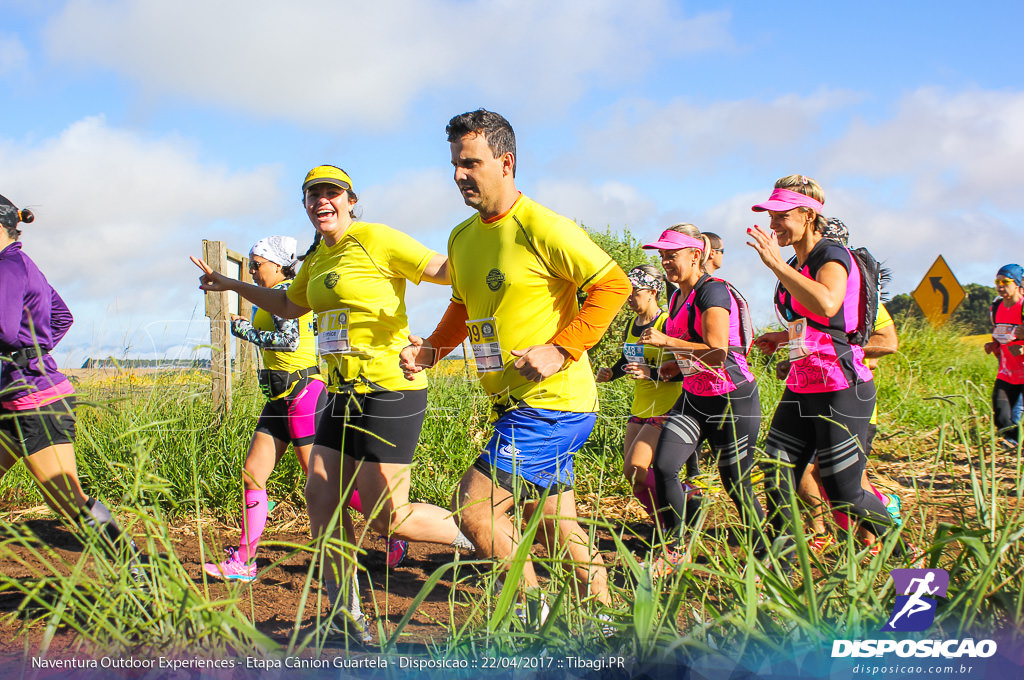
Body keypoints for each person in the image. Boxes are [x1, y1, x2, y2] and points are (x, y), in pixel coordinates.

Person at [194, 165, 470, 644]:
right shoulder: (319, 257)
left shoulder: (376, 238)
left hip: (390, 389)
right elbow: (287, 306)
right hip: (340, 392)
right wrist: (232, 284)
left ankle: (482, 534)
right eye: (313, 194)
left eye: (332, 192)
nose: (323, 200)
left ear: (350, 198)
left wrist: (436, 340)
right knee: (321, 498)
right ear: (305, 205)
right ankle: (347, 612)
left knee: (387, 517)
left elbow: (447, 272)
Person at [400, 109, 630, 618]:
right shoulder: (462, 237)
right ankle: (611, 618)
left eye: (471, 163)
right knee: (552, 521)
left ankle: (534, 613)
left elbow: (614, 285)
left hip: (552, 403)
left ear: (506, 162)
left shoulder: (543, 226)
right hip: (512, 403)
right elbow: (464, 304)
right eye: (456, 164)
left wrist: (560, 349)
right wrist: (433, 349)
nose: (459, 175)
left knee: (474, 507)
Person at [747, 175, 911, 562]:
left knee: (844, 492)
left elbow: (827, 304)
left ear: (807, 215)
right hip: (803, 385)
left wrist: (773, 264)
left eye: (781, 216)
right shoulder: (801, 262)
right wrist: (783, 338)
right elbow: (822, 326)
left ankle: (909, 560)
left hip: (841, 387)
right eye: (770, 217)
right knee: (775, 474)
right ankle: (782, 569)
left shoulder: (831, 254)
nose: (773, 226)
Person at [0, 194, 138, 569]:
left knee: (70, 504)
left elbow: (5, 329)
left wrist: (24, 353)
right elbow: (61, 316)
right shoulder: (24, 264)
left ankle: (138, 573)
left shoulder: (6, 267)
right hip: (17, 397)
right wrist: (34, 351)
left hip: (35, 402)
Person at [637, 224, 765, 573]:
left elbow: (716, 352)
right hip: (694, 397)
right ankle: (677, 548)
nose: (665, 262)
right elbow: (692, 356)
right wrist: (674, 371)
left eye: (671, 256)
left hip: (730, 398)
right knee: (663, 467)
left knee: (735, 483)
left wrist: (667, 343)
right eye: (662, 257)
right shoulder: (677, 295)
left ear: (696, 256)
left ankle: (763, 554)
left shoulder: (713, 292)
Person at [793, 218, 902, 549]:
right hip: (813, 392)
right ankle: (822, 533)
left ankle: (877, 540)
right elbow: (805, 340)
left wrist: (846, 348)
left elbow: (889, 342)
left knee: (849, 481)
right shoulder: (804, 298)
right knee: (805, 475)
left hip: (849, 396)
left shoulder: (863, 299)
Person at [595, 265, 681, 530]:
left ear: (653, 291)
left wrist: (652, 373)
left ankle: (684, 502)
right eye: (627, 293)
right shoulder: (633, 324)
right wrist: (612, 372)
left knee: (637, 466)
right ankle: (663, 526)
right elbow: (629, 360)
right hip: (640, 406)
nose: (629, 297)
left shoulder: (667, 322)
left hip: (668, 406)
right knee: (632, 476)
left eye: (635, 292)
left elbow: (684, 368)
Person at [984, 264, 1024, 445]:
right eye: (997, 282)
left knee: (1016, 416)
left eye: (1005, 282)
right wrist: (993, 345)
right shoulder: (997, 307)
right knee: (1001, 416)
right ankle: (1013, 442)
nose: (1000, 286)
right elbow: (999, 333)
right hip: (1007, 372)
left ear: (1017, 284)